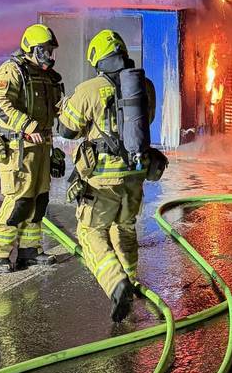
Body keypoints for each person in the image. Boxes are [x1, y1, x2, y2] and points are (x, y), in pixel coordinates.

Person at [57, 29, 158, 323]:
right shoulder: (144, 86)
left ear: (97, 59)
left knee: (90, 232)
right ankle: (131, 279)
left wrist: (67, 106)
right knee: (124, 227)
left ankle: (117, 284)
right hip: (136, 172)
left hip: (102, 178)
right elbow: (145, 121)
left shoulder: (90, 89)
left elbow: (67, 130)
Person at [0, 24, 66, 274]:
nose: (49, 55)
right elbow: (1, 102)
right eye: (44, 50)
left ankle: (30, 250)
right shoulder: (12, 70)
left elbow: (58, 108)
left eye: (51, 51)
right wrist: (27, 125)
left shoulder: (46, 75)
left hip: (41, 146)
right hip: (18, 147)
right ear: (31, 48)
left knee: (39, 200)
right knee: (19, 199)